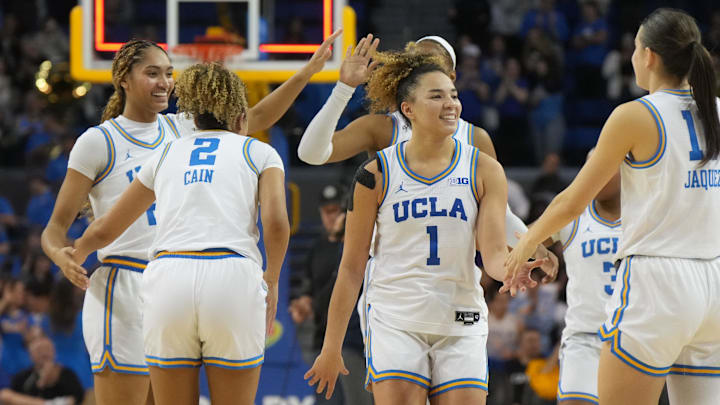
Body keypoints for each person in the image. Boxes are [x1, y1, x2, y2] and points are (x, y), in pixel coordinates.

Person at [40, 32, 339, 405]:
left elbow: (254, 115)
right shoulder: (98, 141)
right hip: (124, 282)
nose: (164, 82)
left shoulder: (182, 130)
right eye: (152, 73)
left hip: (168, 278)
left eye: (168, 73)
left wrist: (307, 72)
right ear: (123, 79)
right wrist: (63, 255)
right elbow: (55, 229)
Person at [505, 8, 720, 405]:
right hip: (713, 283)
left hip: (658, 282)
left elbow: (572, 200)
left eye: (635, 48)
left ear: (650, 56)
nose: (632, 56)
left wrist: (523, 245)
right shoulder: (717, 110)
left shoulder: (635, 115)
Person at [304, 50, 543, 405]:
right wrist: (331, 346)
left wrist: (511, 267)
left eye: (454, 95)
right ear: (408, 109)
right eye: (437, 96)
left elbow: (491, 252)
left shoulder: (485, 168)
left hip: (460, 314)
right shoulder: (375, 174)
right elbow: (352, 268)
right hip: (396, 316)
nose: (450, 104)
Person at [69, 62, 289, 405]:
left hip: (169, 278)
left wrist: (75, 251)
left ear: (192, 116)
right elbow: (276, 222)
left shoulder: (167, 152)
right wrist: (271, 280)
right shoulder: (259, 151)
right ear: (241, 118)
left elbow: (109, 226)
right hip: (231, 276)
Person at [549, 149, 621, 405]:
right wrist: (536, 249)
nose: (594, 175)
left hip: (635, 338)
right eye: (590, 167)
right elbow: (521, 242)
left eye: (604, 166)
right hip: (585, 336)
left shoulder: (650, 215)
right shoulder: (572, 215)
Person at [0, 335, 85, 405]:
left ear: (54, 352)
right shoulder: (23, 376)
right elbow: (7, 396)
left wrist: (51, 380)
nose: (44, 353)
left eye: (47, 349)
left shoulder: (66, 373)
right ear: (30, 355)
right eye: (39, 351)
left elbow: (77, 398)